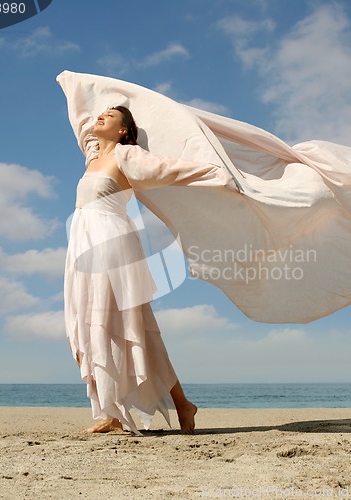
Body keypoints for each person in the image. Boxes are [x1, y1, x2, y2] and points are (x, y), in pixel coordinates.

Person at [64, 106, 205, 435]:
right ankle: (111, 411)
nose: (100, 117)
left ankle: (182, 402)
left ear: (124, 130)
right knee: (84, 326)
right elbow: (84, 119)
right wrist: (71, 82)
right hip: (81, 249)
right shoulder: (93, 156)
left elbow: (168, 170)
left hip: (112, 247)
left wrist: (211, 170)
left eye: (110, 116)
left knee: (132, 327)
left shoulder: (127, 156)